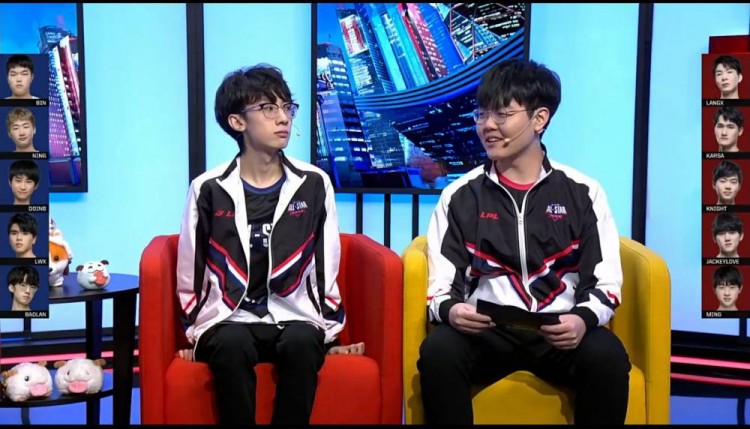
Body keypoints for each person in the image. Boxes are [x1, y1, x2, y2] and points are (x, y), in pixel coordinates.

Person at [417, 58, 631, 425]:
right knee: (439, 351)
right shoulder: (460, 195)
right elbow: (440, 284)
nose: (488, 125)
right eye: (482, 114)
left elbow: (604, 281)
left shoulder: (583, 191)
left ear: (539, 119)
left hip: (558, 331)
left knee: (607, 356)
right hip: (487, 332)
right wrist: (451, 310)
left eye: (502, 114)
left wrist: (582, 319)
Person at [176, 64, 351, 425]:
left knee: (303, 343)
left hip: (294, 314)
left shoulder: (314, 184)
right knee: (231, 344)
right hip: (227, 318)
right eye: (268, 108)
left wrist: (330, 333)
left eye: (287, 107)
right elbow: (190, 267)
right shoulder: (208, 188)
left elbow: (326, 264)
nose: (283, 118)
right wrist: (196, 331)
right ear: (237, 122)